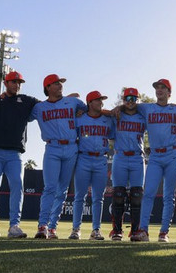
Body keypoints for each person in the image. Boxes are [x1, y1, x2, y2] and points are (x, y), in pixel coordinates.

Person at [0, 71, 39, 239]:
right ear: (6, 83)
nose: (17, 85)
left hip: (15, 152)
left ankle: (14, 225)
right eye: (13, 82)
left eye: (19, 82)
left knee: (17, 186)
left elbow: (47, 105)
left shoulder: (27, 101)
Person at [31, 74, 87, 239]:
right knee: (50, 188)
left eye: (60, 83)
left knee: (62, 191)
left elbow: (90, 111)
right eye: (56, 83)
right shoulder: (39, 107)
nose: (60, 85)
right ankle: (43, 225)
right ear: (47, 87)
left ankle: (53, 226)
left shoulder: (73, 102)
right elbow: (22, 116)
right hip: (52, 147)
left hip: (71, 147)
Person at [135, 78, 176, 242]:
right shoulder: (146, 108)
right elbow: (129, 105)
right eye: (157, 88)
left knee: (169, 195)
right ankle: (143, 230)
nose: (159, 90)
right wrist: (119, 107)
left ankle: (164, 232)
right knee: (148, 193)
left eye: (163, 88)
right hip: (154, 156)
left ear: (169, 92)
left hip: (171, 154)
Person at [69, 91, 115, 240]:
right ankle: (76, 229)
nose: (101, 102)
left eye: (101, 100)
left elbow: (114, 135)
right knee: (79, 197)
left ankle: (96, 230)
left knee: (98, 198)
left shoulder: (107, 120)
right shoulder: (80, 119)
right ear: (89, 103)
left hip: (101, 159)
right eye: (97, 100)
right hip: (83, 157)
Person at [111, 88, 147, 242]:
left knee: (137, 196)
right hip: (120, 156)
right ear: (123, 100)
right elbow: (101, 112)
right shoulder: (116, 115)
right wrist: (116, 108)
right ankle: (117, 231)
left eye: (134, 98)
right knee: (118, 195)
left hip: (137, 157)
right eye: (127, 98)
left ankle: (135, 231)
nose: (131, 101)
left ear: (138, 100)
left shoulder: (143, 116)